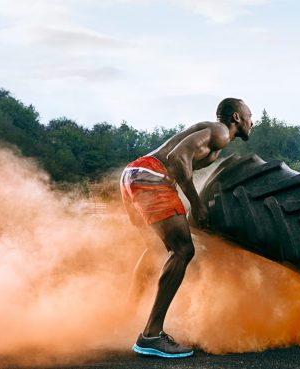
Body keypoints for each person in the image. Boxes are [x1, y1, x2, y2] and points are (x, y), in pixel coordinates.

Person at [119, 98, 253, 358]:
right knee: (182, 250)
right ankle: (151, 336)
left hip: (133, 173)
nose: (252, 121)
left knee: (153, 248)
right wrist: (196, 203)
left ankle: (125, 317)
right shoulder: (221, 132)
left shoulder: (214, 135)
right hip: (152, 176)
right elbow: (177, 157)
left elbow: (181, 158)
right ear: (236, 117)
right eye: (249, 115)